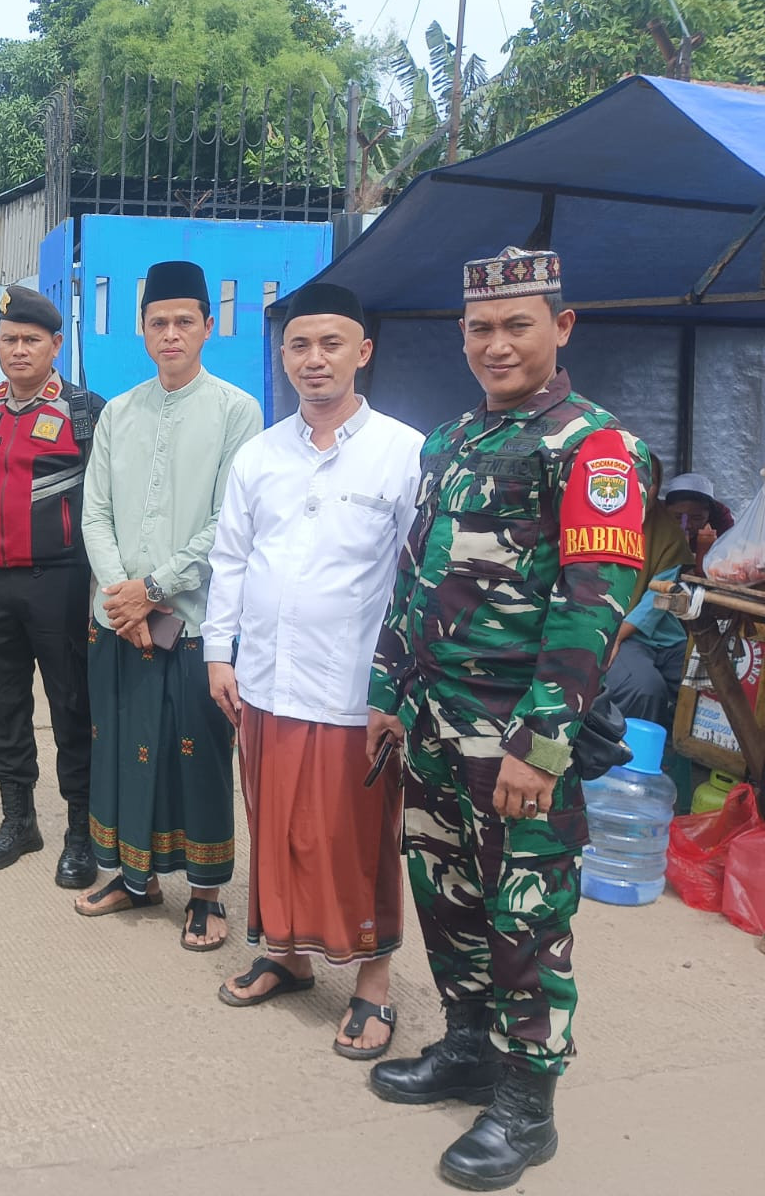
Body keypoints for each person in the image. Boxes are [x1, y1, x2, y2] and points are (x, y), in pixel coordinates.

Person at [365, 247, 650, 1190]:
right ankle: (467, 1049)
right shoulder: (451, 443)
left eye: (517, 325)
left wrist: (542, 744)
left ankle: (529, 1109)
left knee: (525, 917)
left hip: (516, 734)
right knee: (447, 899)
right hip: (435, 722)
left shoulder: (594, 448)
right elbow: (415, 580)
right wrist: (387, 699)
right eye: (481, 328)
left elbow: (590, 609)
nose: (497, 344)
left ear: (561, 328)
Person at [203, 282, 423, 1059]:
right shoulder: (259, 455)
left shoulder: (405, 452)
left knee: (354, 838)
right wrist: (218, 652)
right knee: (275, 827)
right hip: (262, 680)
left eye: (331, 343)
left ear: (362, 352)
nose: (314, 359)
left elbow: (419, 578)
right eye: (299, 345)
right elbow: (230, 560)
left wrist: (394, 691)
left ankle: (372, 986)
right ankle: (288, 956)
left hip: (352, 691)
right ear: (282, 356)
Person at [76, 259, 262, 950]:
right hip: (119, 622)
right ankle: (133, 877)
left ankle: (207, 894)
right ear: (142, 330)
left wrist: (153, 588)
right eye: (159, 322)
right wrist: (122, 594)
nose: (172, 333)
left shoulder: (237, 411)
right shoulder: (119, 411)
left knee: (198, 755)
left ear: (209, 327)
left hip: (196, 623)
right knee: (123, 747)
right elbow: (96, 510)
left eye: (186, 321)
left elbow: (230, 523)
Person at [0, 286, 105, 888]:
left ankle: (80, 834)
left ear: (56, 345)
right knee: (3, 708)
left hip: (62, 586)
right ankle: (19, 821)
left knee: (72, 712)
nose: (19, 349)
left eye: (32, 339)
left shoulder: (86, 413)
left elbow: (107, 512)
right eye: (9, 339)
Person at [604, 454, 693, 728]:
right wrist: (613, 638)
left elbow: (661, 596)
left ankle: (687, 759)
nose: (644, 487)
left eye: (651, 481)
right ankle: (632, 760)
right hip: (612, 628)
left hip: (660, 634)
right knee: (644, 688)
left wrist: (619, 637)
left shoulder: (669, 532)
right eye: (635, 478)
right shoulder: (601, 523)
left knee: (703, 682)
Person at [664, 470, 732, 566]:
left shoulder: (722, 520)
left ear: (709, 514)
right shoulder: (655, 519)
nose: (687, 525)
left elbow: (728, 555)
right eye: (678, 517)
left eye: (696, 518)